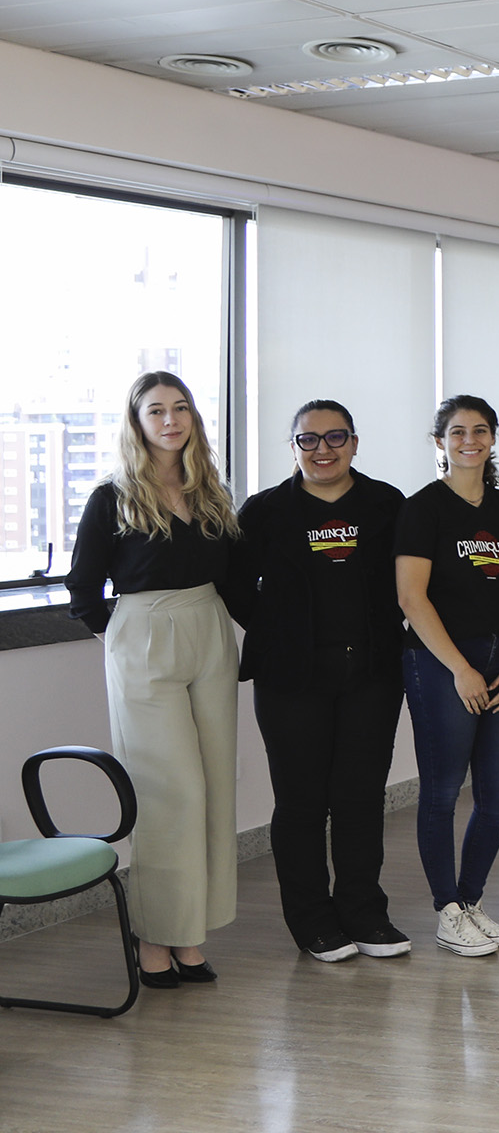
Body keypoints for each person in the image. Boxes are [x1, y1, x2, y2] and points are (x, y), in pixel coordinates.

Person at [66, 371, 240, 988]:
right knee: (172, 794)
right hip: (144, 636)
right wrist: (123, 641)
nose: (171, 420)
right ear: (137, 422)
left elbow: (235, 577)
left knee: (214, 787)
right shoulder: (112, 497)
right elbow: (83, 589)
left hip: (209, 628)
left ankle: (189, 934)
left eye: (180, 408)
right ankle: (153, 937)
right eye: (156, 410)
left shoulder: (211, 492)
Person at [230, 399, 412, 963]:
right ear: (293, 447)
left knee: (360, 798)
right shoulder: (264, 512)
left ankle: (364, 912)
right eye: (308, 439)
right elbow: (234, 585)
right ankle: (312, 920)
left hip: (372, 676)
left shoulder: (387, 504)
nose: (323, 449)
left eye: (335, 437)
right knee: (301, 802)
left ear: (354, 443)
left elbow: (411, 581)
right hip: (291, 679)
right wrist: (278, 632)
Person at [395, 396, 499, 957]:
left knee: (498, 794)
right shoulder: (423, 509)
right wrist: (460, 668)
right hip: (441, 663)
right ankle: (446, 910)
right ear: (440, 442)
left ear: (493, 438)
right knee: (444, 790)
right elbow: (412, 597)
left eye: (479, 430)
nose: (469, 440)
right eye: (457, 432)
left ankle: (471, 902)